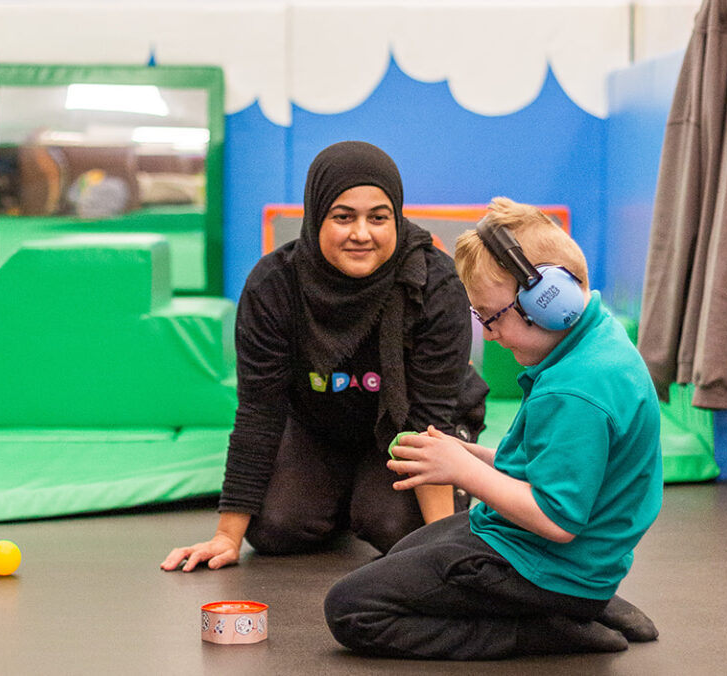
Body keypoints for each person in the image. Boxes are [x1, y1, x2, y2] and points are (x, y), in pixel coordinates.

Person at [323, 197, 663, 659]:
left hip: (548, 563)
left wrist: (464, 474)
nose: (486, 333)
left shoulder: (575, 390)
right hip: (562, 557)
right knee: (402, 554)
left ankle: (546, 627)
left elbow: (557, 519)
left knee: (350, 608)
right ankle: (584, 601)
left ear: (547, 301)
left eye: (490, 316)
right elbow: (545, 464)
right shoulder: (598, 341)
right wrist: (465, 455)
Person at [161, 141, 487, 573]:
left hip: (408, 429)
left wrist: (443, 545)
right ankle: (344, 495)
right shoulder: (274, 285)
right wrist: (226, 536)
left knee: (396, 529)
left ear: (397, 217)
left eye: (378, 217)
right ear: (316, 216)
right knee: (276, 528)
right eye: (343, 217)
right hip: (321, 424)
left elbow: (428, 422)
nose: (361, 233)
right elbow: (259, 412)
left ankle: (377, 498)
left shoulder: (433, 284)